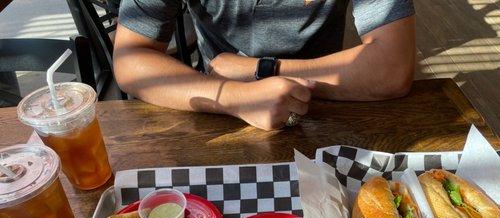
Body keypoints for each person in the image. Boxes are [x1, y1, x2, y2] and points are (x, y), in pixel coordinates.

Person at [114, 1, 416, 130]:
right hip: (217, 107)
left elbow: (392, 66)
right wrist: (238, 99)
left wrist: (259, 70)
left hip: (325, 109)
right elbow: (130, 60)